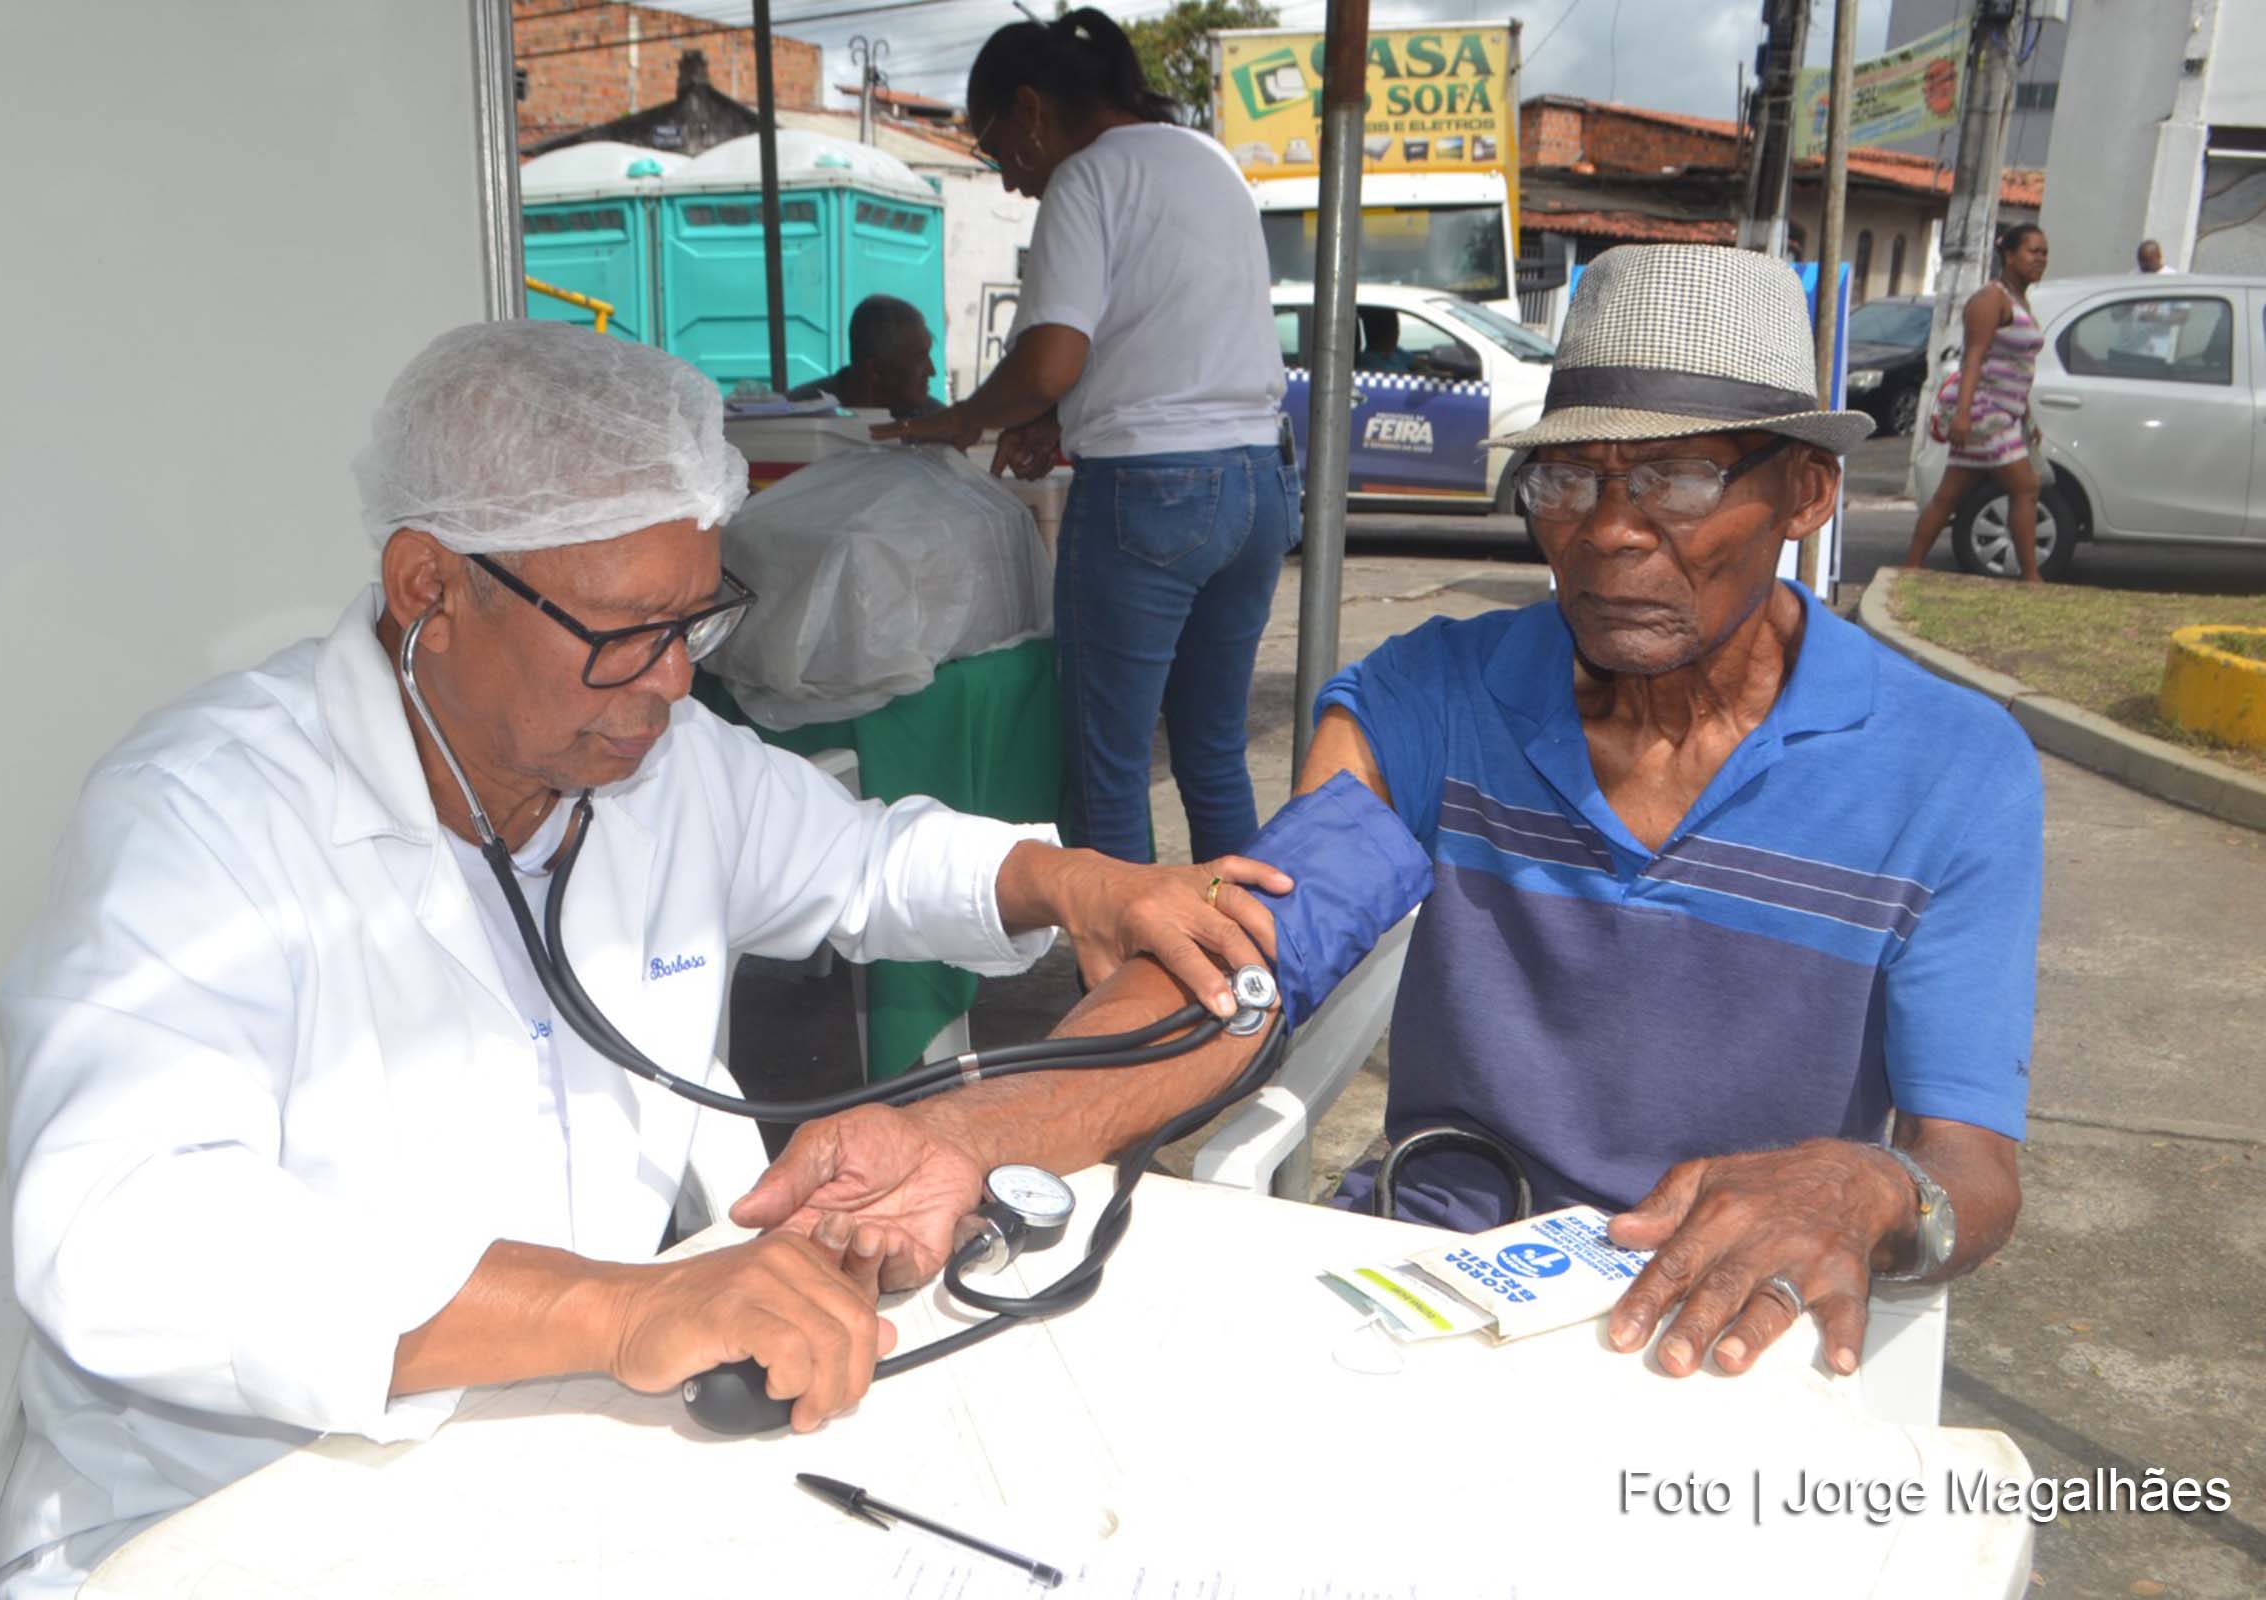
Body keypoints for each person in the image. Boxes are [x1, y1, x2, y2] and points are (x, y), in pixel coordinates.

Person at [0, 321, 1287, 1595]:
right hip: (231, 1519)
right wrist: (616, 1311)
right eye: (623, 630)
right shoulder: (199, 821)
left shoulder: (655, 763)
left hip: (553, 1465)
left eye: (695, 620)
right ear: (427, 589)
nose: (670, 683)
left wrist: (1074, 883)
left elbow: (866, 865)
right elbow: (120, 1236)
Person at [744, 245, 2039, 1395]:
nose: (1609, 537)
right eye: (1568, 484)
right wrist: (971, 1133)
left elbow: (1969, 1173)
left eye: (1682, 480)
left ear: (1808, 493)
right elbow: (1245, 957)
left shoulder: (1952, 770)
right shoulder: (1437, 700)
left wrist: (1862, 1185)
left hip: (1725, 1331)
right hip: (1439, 1287)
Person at [873, 10, 1296, 868]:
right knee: (1213, 752)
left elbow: (1050, 359)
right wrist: (1056, 420)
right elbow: (1170, 337)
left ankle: (1123, 990)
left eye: (997, 149)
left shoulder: (1087, 178)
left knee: (1108, 768)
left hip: (1151, 500)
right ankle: (1251, 976)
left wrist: (964, 418)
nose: (1006, 180)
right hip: (1257, 484)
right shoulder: (1208, 160)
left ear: (1031, 109)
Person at [1901, 223, 2050, 581]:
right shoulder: (1991, 300)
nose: (2041, 259)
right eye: (2033, 251)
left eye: (2045, 252)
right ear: (2009, 255)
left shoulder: (2018, 299)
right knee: (2026, 487)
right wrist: (1963, 416)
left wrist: (2026, 417)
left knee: (1949, 494)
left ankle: (1910, 568)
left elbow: (2014, 366)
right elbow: (1975, 358)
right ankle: (2032, 577)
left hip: (2002, 411)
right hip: (1984, 411)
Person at [786, 294, 938, 417]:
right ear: (875, 370)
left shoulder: (935, 423)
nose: (932, 371)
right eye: (919, 358)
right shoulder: (800, 417)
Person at [1357, 306, 1410, 373]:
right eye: (1395, 328)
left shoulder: (1392, 350)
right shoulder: (1375, 368)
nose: (1398, 332)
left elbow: (1414, 361)